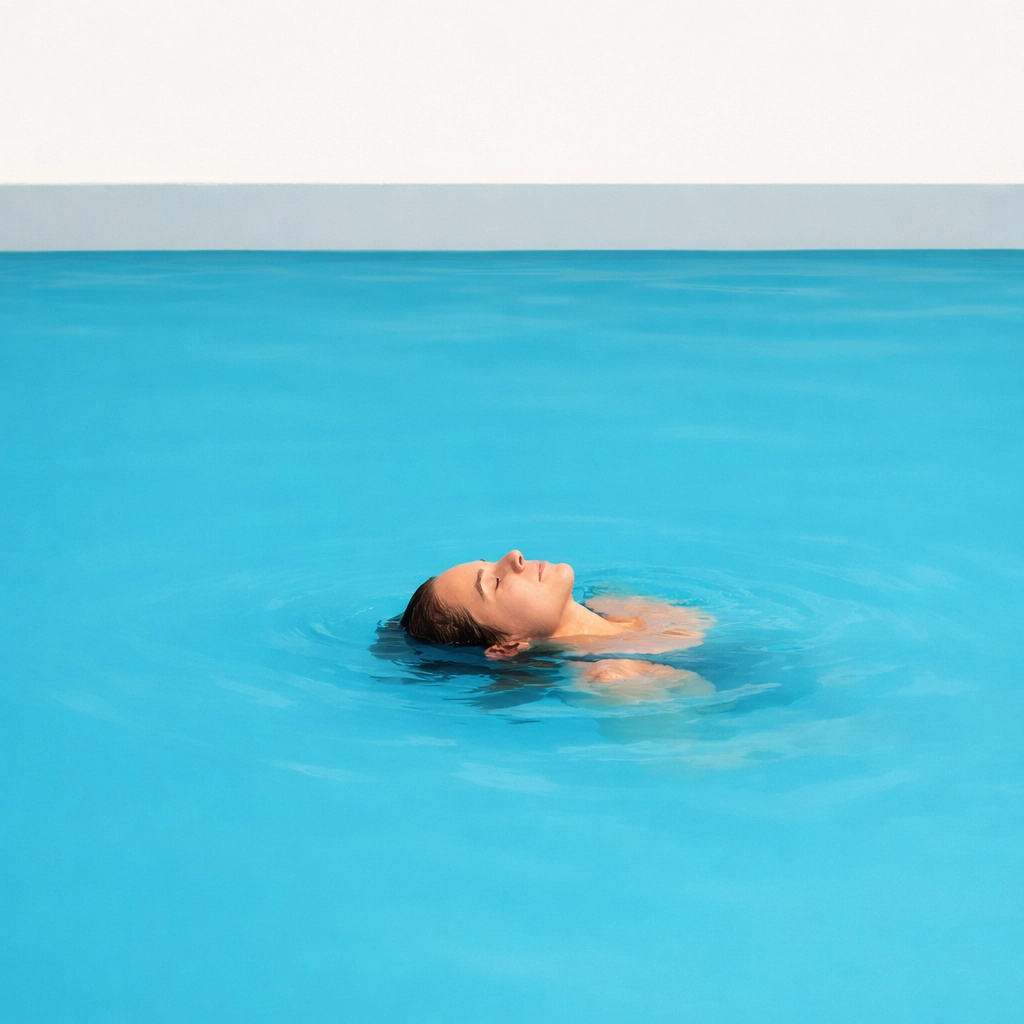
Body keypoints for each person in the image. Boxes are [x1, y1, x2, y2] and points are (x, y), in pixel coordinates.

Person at [401, 549, 714, 701]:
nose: (514, 556)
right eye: (494, 582)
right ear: (507, 646)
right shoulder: (611, 680)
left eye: (489, 561)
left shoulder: (618, 600)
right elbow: (695, 762)